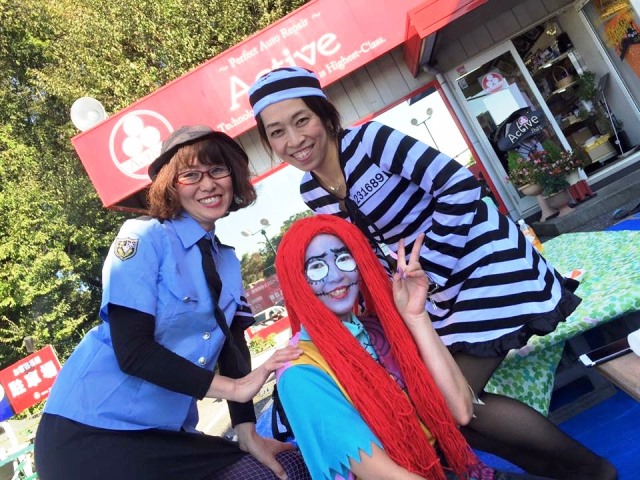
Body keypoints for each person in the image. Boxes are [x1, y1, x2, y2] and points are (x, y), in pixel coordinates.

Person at [248, 67, 616, 480]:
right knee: (447, 412)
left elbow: (460, 187)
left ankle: (596, 473)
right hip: (436, 293)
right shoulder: (312, 191)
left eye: (302, 120)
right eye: (277, 132)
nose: (294, 139)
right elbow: (363, 252)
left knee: (451, 402)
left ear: (324, 114)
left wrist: (429, 273)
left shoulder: (371, 142)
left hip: (487, 268)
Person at [35, 125, 311, 480]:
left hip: (165, 435)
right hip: (92, 431)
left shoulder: (227, 261)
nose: (208, 184)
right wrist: (234, 388)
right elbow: (133, 350)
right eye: (191, 175)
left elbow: (232, 346)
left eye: (217, 170)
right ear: (171, 185)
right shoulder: (144, 236)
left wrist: (246, 430)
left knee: (285, 467)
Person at [274, 214, 550, 480]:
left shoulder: (378, 330)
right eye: (317, 267)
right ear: (296, 280)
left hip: (451, 466)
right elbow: (383, 474)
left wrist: (416, 317)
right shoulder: (300, 372)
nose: (336, 276)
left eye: (344, 259)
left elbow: (461, 409)